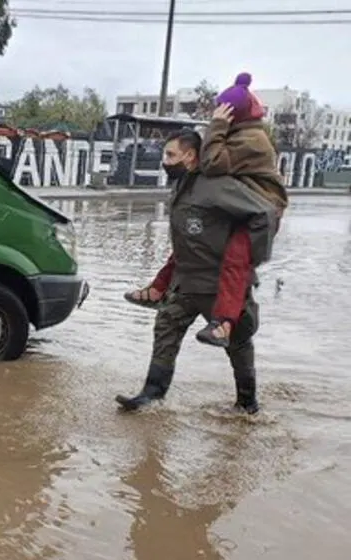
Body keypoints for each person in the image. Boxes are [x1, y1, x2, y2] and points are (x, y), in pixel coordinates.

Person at [116, 128, 278, 414]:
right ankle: (151, 394)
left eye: (170, 154)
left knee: (238, 343)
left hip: (221, 285)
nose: (165, 160)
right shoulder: (181, 184)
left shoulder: (216, 186)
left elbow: (263, 214)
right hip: (185, 282)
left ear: (190, 156)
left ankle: (247, 405)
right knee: (166, 327)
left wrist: (251, 256)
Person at [128, 73, 288, 349]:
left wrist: (217, 125)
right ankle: (157, 290)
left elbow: (213, 162)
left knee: (235, 261)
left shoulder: (251, 139)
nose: (165, 161)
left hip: (260, 210)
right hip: (240, 207)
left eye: (171, 155)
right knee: (187, 244)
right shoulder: (235, 137)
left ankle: (224, 323)